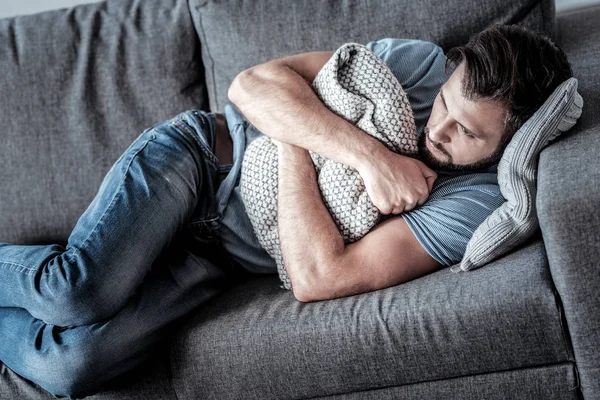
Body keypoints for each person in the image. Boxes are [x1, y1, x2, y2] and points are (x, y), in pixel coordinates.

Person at [0, 24, 572, 398]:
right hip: (201, 162)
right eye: (446, 102)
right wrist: (367, 156)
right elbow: (251, 87)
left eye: (467, 133)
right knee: (75, 293)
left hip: (221, 258)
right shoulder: (418, 67)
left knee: (70, 367)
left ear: (511, 142)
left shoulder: (471, 202)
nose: (437, 130)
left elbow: (318, 275)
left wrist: (293, 134)